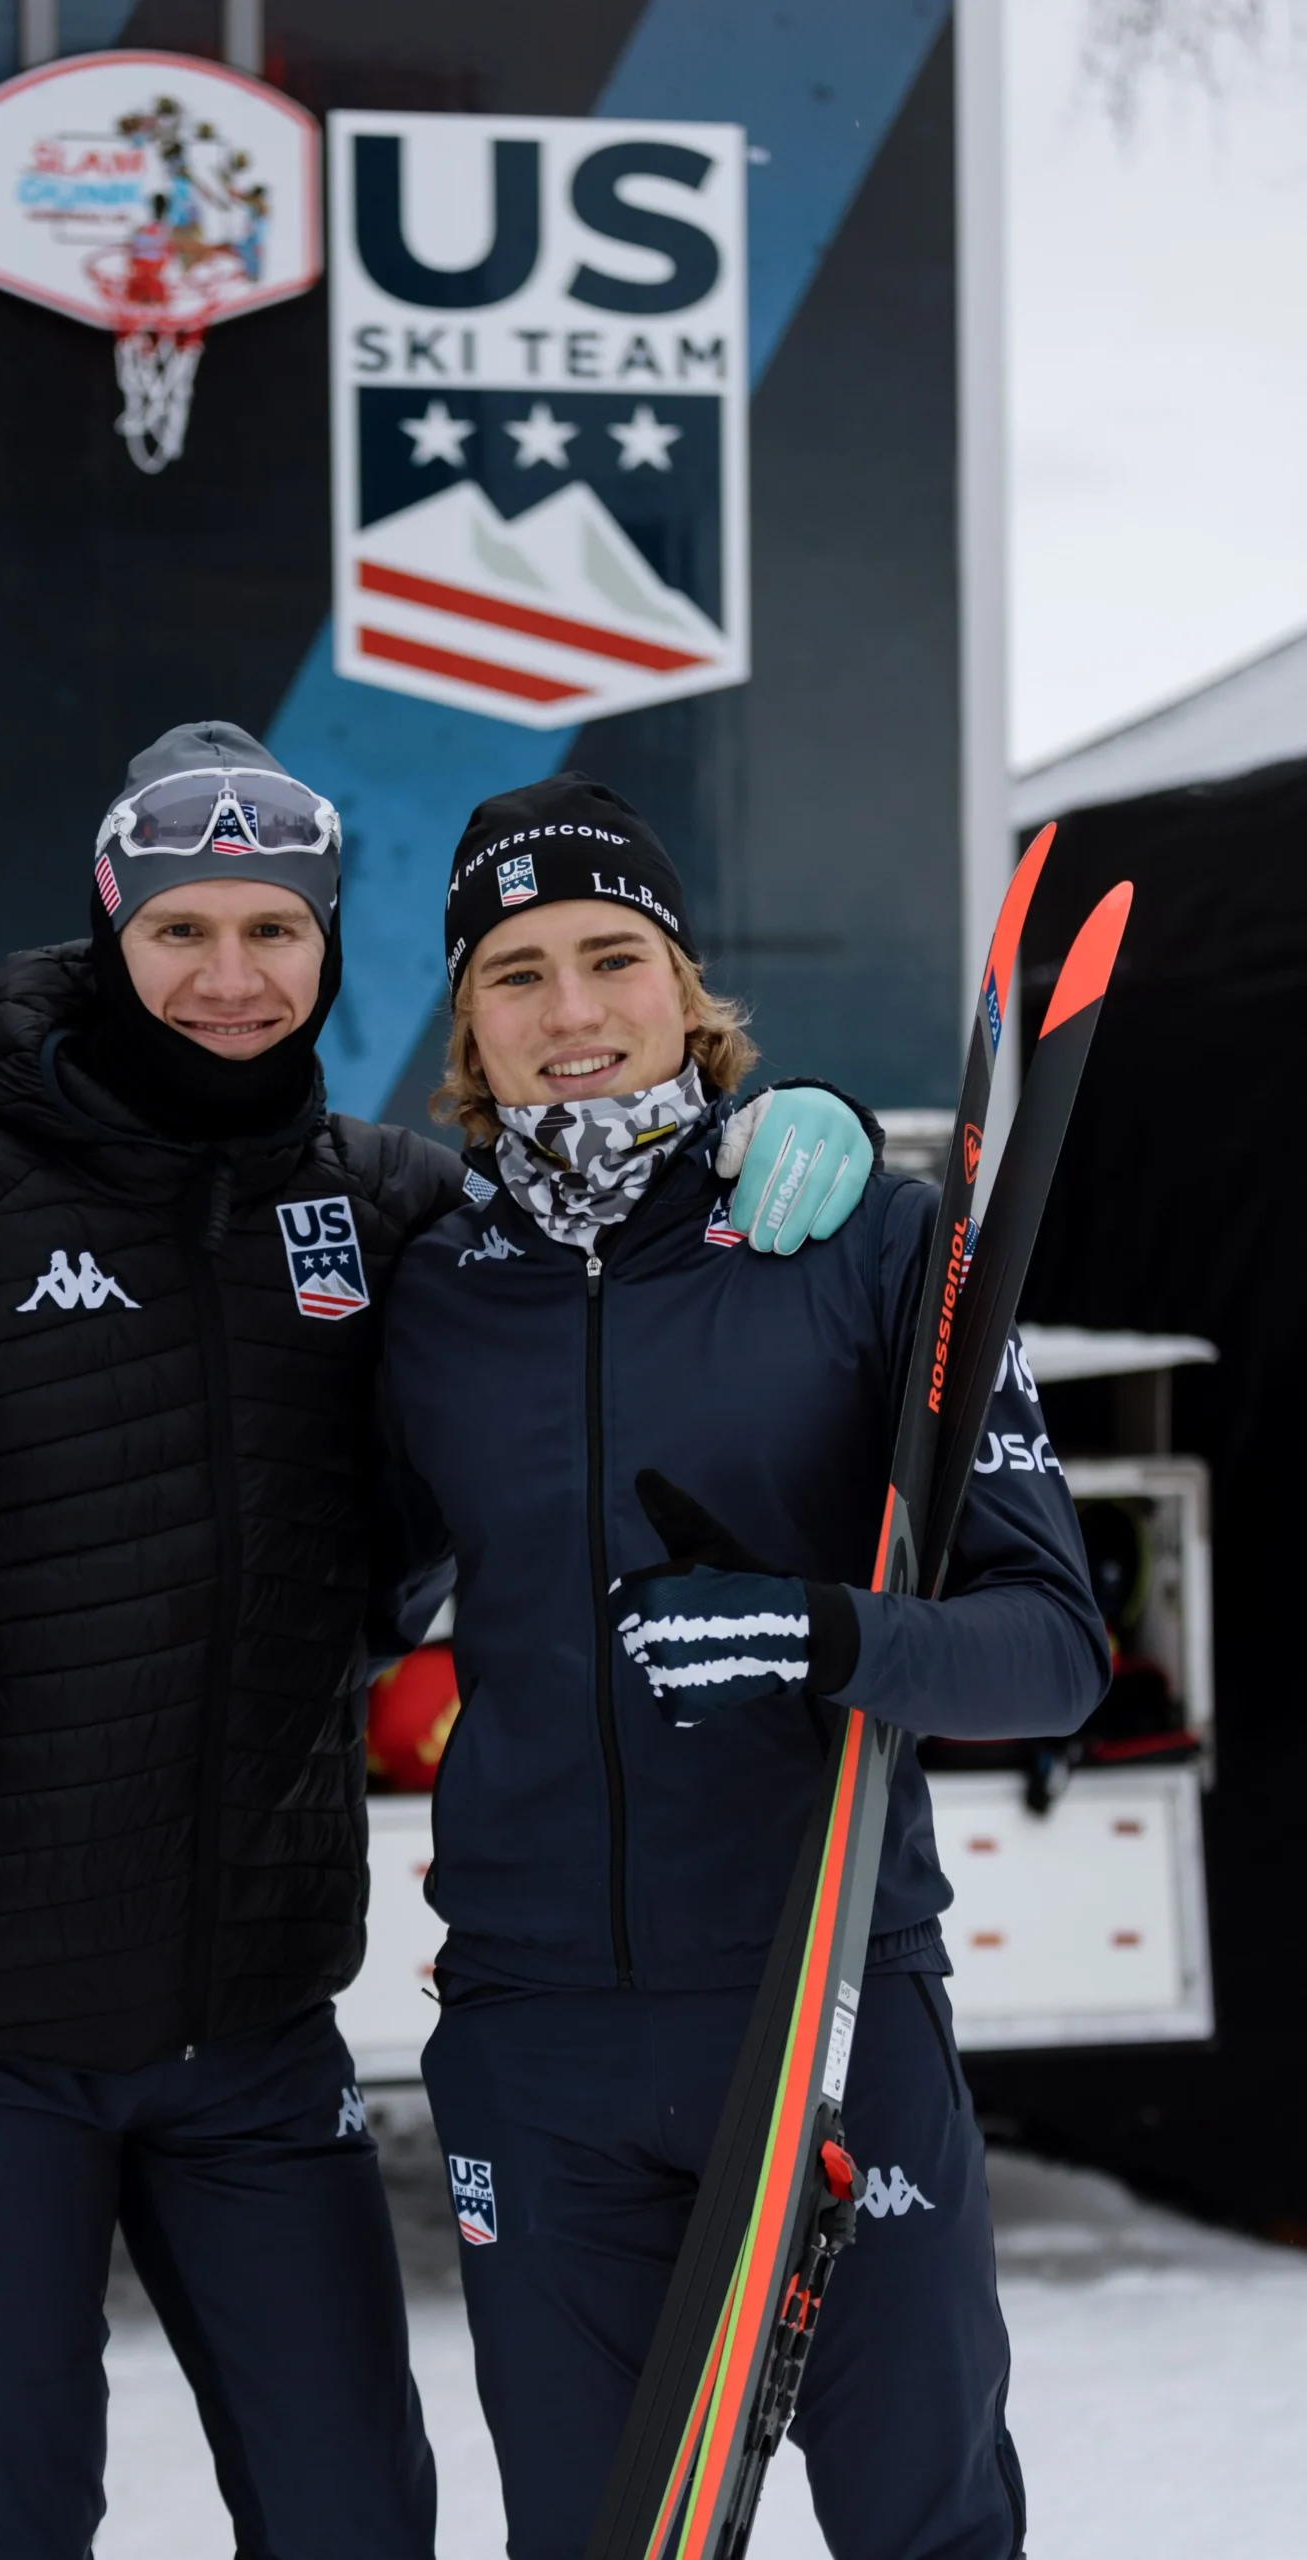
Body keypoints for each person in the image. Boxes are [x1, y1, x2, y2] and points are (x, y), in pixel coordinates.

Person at [0, 724, 873, 2560]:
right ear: (111, 928)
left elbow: (600, 1237)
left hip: (260, 2032)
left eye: (276, 931)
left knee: (355, 2519)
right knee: (10, 2518)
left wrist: (785, 1129)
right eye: (183, 931)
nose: (231, 979)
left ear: (329, 945)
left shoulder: (383, 1206)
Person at [379, 772, 1110, 2560]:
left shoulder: (865, 1245)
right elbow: (336, 1587)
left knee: (923, 2525)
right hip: (536, 2046)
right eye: (516, 972)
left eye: (611, 958)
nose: (571, 1014)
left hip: (825, 2006)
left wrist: (825, 1636)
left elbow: (1055, 1651)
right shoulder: (433, 1295)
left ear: (685, 981)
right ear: (466, 1018)